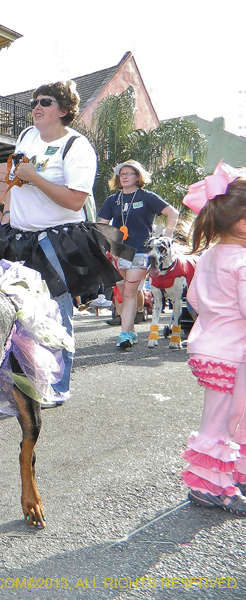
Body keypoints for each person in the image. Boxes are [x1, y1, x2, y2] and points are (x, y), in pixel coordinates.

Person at [0, 80, 120, 407]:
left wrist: (35, 177)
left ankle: (55, 387)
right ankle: (19, 387)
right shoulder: (26, 137)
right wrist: (5, 212)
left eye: (44, 102)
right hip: (18, 239)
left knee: (54, 318)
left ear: (63, 110)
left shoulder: (77, 147)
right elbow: (14, 178)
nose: (36, 107)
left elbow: (75, 201)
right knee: (14, 317)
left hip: (56, 242)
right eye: (34, 102)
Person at [179, 162, 246, 516]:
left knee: (234, 413)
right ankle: (207, 486)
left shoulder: (208, 257)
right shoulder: (243, 260)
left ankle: (231, 473)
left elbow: (193, 300)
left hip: (209, 347)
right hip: (231, 353)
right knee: (222, 421)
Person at [98, 160, 178, 348]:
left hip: (141, 250)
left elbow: (172, 213)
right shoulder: (112, 200)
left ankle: (124, 334)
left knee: (130, 291)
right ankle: (131, 331)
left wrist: (165, 239)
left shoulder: (147, 197)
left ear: (138, 177)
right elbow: (102, 226)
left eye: (128, 173)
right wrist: (111, 249)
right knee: (122, 293)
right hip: (118, 251)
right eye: (121, 174)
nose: (124, 176)